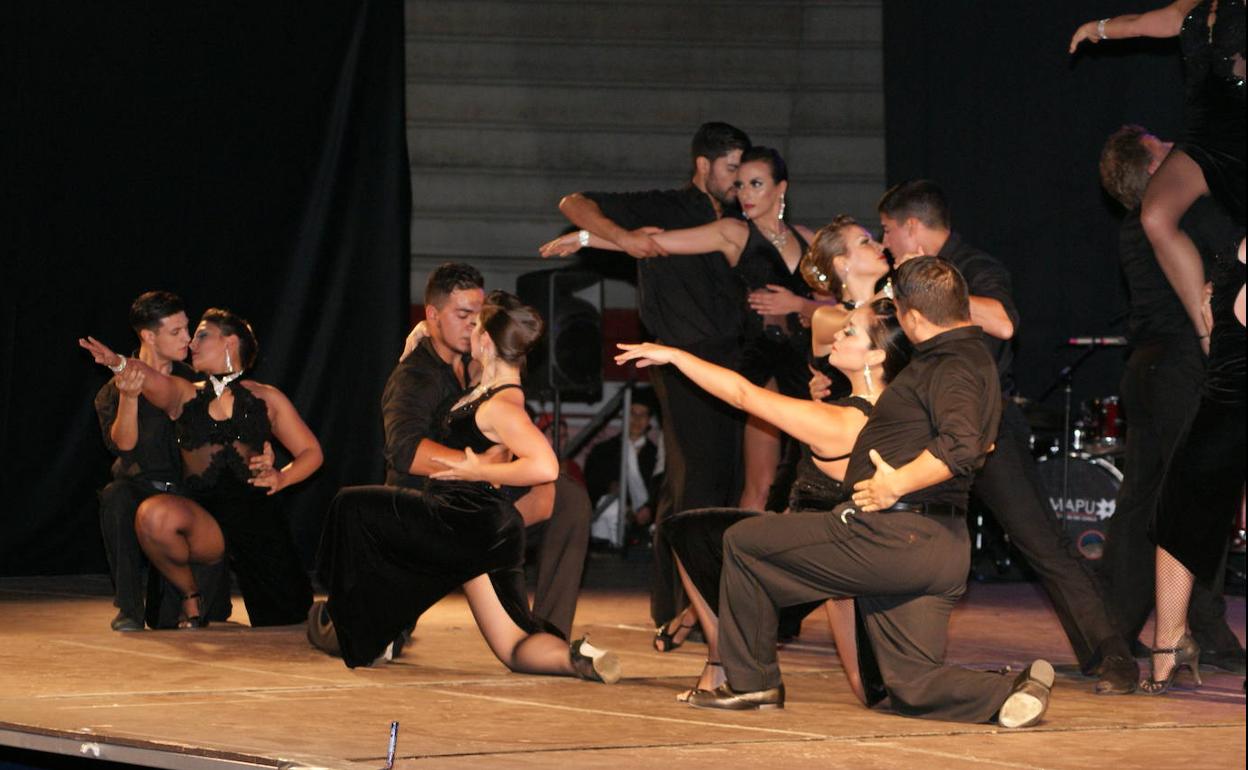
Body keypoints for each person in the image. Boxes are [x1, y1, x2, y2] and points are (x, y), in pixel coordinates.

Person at [680, 257, 1053, 728]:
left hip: (892, 533)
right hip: (935, 546)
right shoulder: (960, 360)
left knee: (742, 543)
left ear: (913, 317)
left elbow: (960, 446)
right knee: (911, 682)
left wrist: (895, 483)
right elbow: (974, 440)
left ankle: (751, 684)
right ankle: (1014, 690)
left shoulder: (952, 364)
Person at [877, 180, 1139, 694]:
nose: (884, 242)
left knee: (1042, 543)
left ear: (911, 227)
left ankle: (1113, 655)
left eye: (887, 231)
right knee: (883, 522)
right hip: (924, 426)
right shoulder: (897, 280)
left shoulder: (975, 266)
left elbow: (1002, 323)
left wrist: (930, 286)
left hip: (985, 425)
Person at [308, 291, 621, 684]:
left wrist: (476, 470)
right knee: (513, 645)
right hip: (481, 530)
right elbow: (455, 367)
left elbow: (544, 464)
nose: (469, 330)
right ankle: (575, 658)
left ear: (486, 340)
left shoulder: (502, 405)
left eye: (475, 326)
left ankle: (362, 622)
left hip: (461, 519)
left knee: (351, 505)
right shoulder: (487, 388)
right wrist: (419, 336)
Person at [616, 298, 911, 704]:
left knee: (691, 530)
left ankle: (734, 668)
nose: (838, 335)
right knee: (873, 693)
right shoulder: (891, 409)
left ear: (876, 356)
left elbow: (743, 394)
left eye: (850, 332)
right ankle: (727, 661)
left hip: (825, 555)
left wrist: (676, 355)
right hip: (848, 548)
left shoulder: (844, 419)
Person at [546, 122, 752, 631]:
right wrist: (618, 238)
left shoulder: (738, 217)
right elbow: (574, 202)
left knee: (716, 481)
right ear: (703, 164)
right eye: (730, 168)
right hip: (679, 359)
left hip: (734, 363)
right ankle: (685, 607)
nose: (737, 179)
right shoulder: (665, 205)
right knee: (696, 481)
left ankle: (688, 604)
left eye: (743, 170)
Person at [545, 146, 826, 513]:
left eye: (755, 184)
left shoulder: (808, 239)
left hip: (808, 364)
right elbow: (656, 243)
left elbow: (841, 306)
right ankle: (737, 550)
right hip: (765, 364)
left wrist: (800, 305)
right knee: (760, 484)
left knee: (812, 476)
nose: (745, 193)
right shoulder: (733, 232)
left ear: (781, 188)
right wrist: (586, 238)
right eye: (740, 185)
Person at [1097, 125, 1245, 675]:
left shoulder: (1133, 227)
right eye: (1165, 150)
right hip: (1184, 363)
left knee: (1141, 502)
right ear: (1155, 169)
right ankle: (1203, 630)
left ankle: (1115, 628)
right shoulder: (1181, 218)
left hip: (1144, 368)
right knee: (1199, 497)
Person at [387, 263, 591, 638]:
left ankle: (550, 633)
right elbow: (404, 452)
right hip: (426, 504)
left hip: (479, 498)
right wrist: (477, 465)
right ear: (433, 315)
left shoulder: (475, 361)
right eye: (462, 315)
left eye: (477, 316)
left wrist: (487, 471)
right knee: (369, 628)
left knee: (567, 498)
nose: (472, 325)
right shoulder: (416, 376)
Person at [80, 308, 319, 627]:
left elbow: (311, 452)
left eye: (203, 335)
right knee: (153, 515)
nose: (192, 342)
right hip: (202, 519)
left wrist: (282, 477)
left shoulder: (266, 396)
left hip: (254, 518)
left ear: (230, 342)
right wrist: (117, 362)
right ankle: (190, 594)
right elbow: (148, 377)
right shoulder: (184, 392)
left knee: (287, 616)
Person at [1071, 1, 1245, 350]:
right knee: (1155, 214)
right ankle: (1206, 333)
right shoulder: (1192, 5)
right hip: (1202, 137)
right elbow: (1140, 22)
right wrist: (1099, 28)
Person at [91, 291, 225, 629]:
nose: (187, 338)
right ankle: (128, 608)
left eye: (187, 328)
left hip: (186, 497)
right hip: (140, 489)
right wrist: (129, 398)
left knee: (170, 618)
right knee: (116, 497)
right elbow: (124, 446)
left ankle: (196, 593)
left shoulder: (194, 380)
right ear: (149, 336)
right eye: (176, 331)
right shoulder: (112, 391)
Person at [583, 392, 663, 549]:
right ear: (624, 416)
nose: (637, 419)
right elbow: (590, 486)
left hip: (648, 523)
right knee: (612, 509)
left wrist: (650, 508)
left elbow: (663, 489)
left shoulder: (656, 455)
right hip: (610, 519)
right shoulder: (603, 451)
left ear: (649, 420)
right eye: (632, 413)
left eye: (643, 415)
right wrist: (611, 490)